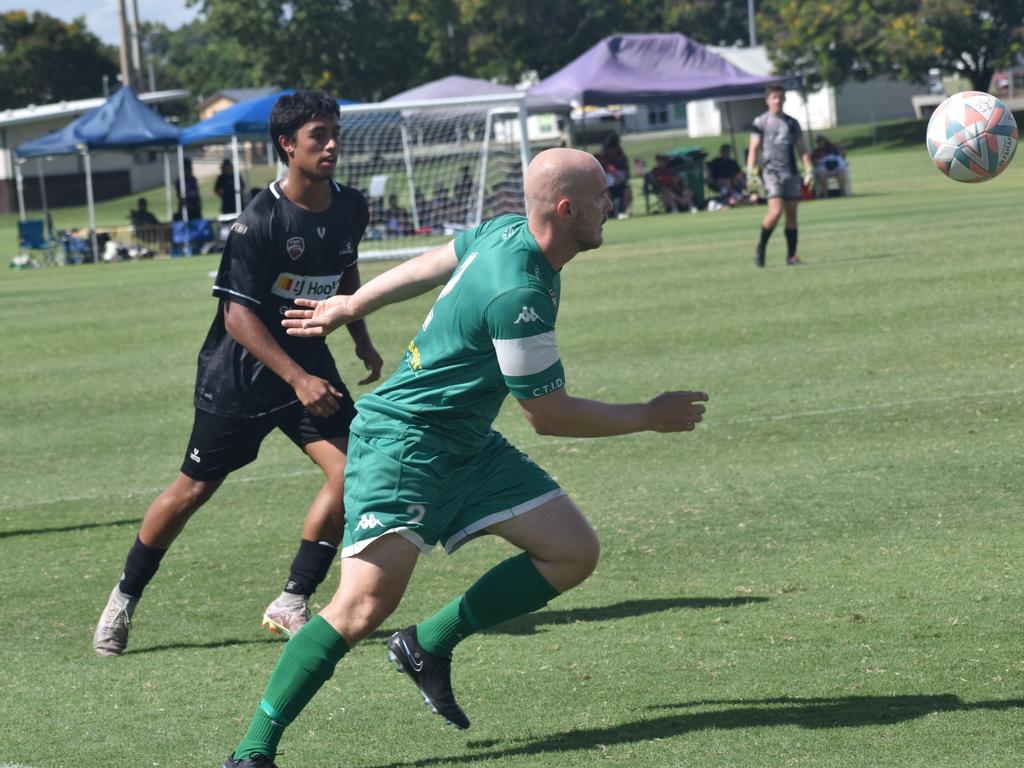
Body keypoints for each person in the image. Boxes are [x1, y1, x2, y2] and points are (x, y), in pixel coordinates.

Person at [221, 147, 708, 768]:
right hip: (406, 444)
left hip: (466, 442)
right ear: (567, 209)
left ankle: (428, 644)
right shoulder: (519, 293)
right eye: (603, 198)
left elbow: (433, 262)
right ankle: (252, 751)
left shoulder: (508, 229)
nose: (612, 206)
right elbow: (547, 416)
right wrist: (648, 414)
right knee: (360, 608)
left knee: (572, 551)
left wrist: (352, 304)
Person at [92, 90, 384, 657]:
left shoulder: (351, 206)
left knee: (355, 473)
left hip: (309, 365)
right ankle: (123, 598)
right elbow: (238, 315)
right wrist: (297, 379)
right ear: (286, 145)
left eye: (334, 134)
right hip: (240, 378)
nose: (330, 145)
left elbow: (345, 272)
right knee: (191, 490)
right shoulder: (259, 221)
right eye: (317, 136)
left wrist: (361, 337)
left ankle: (293, 599)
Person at [747, 83, 813, 267]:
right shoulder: (760, 122)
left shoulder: (792, 123)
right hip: (771, 172)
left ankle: (791, 256)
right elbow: (753, 149)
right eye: (775, 97)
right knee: (775, 212)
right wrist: (751, 173)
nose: (778, 101)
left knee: (792, 214)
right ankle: (761, 247)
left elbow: (802, 149)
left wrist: (809, 169)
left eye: (781, 97)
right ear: (767, 100)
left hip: (790, 172)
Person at [598, 133, 632, 218]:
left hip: (620, 183)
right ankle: (610, 212)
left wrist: (623, 178)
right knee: (606, 194)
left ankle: (624, 211)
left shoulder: (621, 155)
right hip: (607, 184)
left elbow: (626, 170)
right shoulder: (603, 157)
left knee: (627, 192)